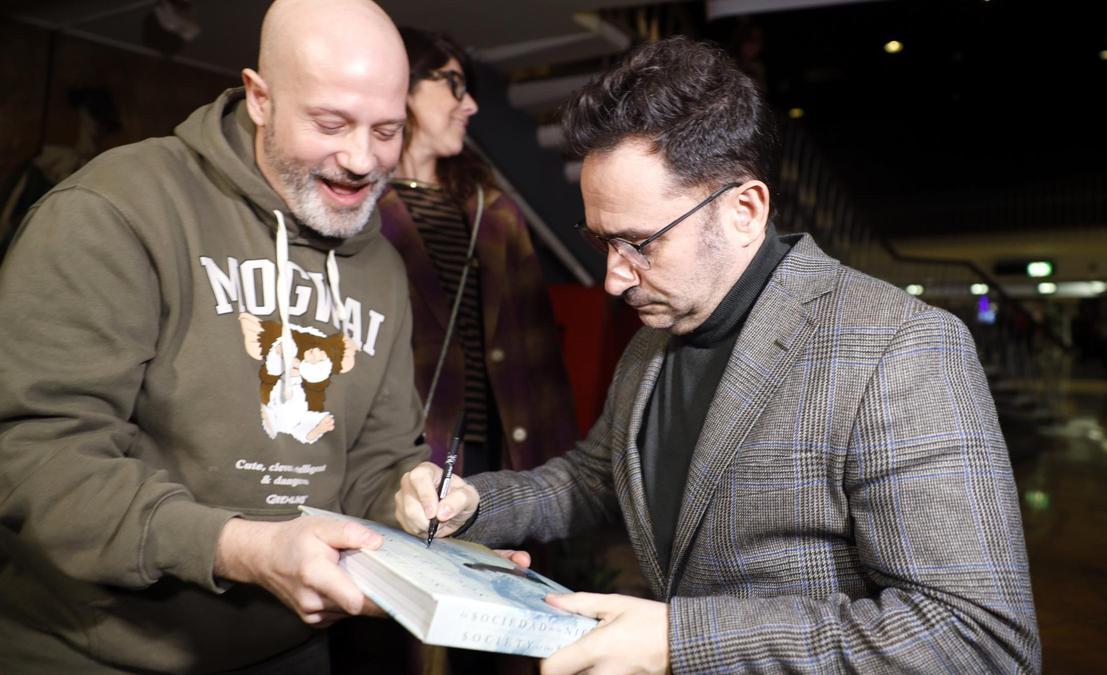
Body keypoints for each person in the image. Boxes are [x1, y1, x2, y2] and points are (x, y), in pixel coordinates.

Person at [395, 36, 1041, 674]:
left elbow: (979, 640)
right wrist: (474, 503)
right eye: (602, 243)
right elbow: (593, 477)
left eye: (640, 243)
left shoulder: (900, 348)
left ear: (744, 210)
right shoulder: (655, 340)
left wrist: (682, 640)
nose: (615, 279)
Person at [0, 1, 428, 672]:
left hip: (293, 650)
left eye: (387, 130)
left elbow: (377, 460)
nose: (360, 159)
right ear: (260, 98)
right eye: (330, 123)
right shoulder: (115, 210)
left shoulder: (382, 266)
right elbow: (36, 454)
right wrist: (239, 547)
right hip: (92, 651)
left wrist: (415, 494)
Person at [378, 27, 578, 480]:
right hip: (395, 454)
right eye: (453, 84)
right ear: (400, 82)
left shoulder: (496, 212)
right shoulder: (355, 205)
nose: (469, 105)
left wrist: (559, 474)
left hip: (494, 452)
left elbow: (538, 350)